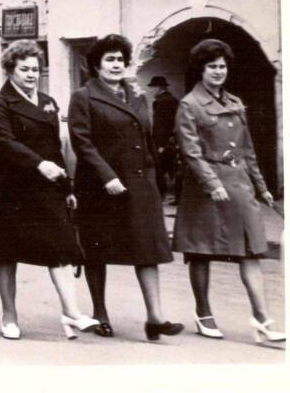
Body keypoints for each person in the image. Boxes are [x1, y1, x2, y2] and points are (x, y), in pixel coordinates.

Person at [0, 40, 98, 340]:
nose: (32, 74)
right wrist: (38, 164)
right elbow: (5, 143)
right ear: (10, 70)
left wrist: (65, 185)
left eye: (36, 69)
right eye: (25, 69)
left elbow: (55, 146)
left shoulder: (48, 102)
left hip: (45, 187)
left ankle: (71, 311)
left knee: (61, 244)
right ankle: (9, 314)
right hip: (7, 188)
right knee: (5, 252)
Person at [68, 34, 182, 341]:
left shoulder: (137, 95)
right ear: (96, 65)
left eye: (120, 59)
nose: (116, 65)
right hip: (100, 186)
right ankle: (100, 313)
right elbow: (82, 142)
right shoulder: (84, 96)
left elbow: (146, 140)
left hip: (139, 183)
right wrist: (107, 176)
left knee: (148, 248)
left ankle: (155, 318)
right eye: (110, 59)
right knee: (97, 250)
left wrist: (155, 180)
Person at [171, 39, 284, 343]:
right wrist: (213, 183)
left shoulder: (235, 102)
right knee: (201, 251)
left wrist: (262, 188)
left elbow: (247, 152)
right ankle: (203, 312)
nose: (219, 71)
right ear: (201, 69)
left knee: (251, 251)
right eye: (212, 66)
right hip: (205, 189)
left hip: (239, 185)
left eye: (222, 66)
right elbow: (191, 152)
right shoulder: (189, 105)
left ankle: (262, 318)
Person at [148, 76, 180, 199]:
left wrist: (160, 144)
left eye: (152, 87)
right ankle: (175, 196)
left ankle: (160, 195)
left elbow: (163, 124)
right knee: (170, 168)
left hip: (164, 141)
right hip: (170, 140)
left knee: (161, 168)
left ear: (159, 87)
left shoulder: (163, 101)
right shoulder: (170, 99)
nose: (150, 90)